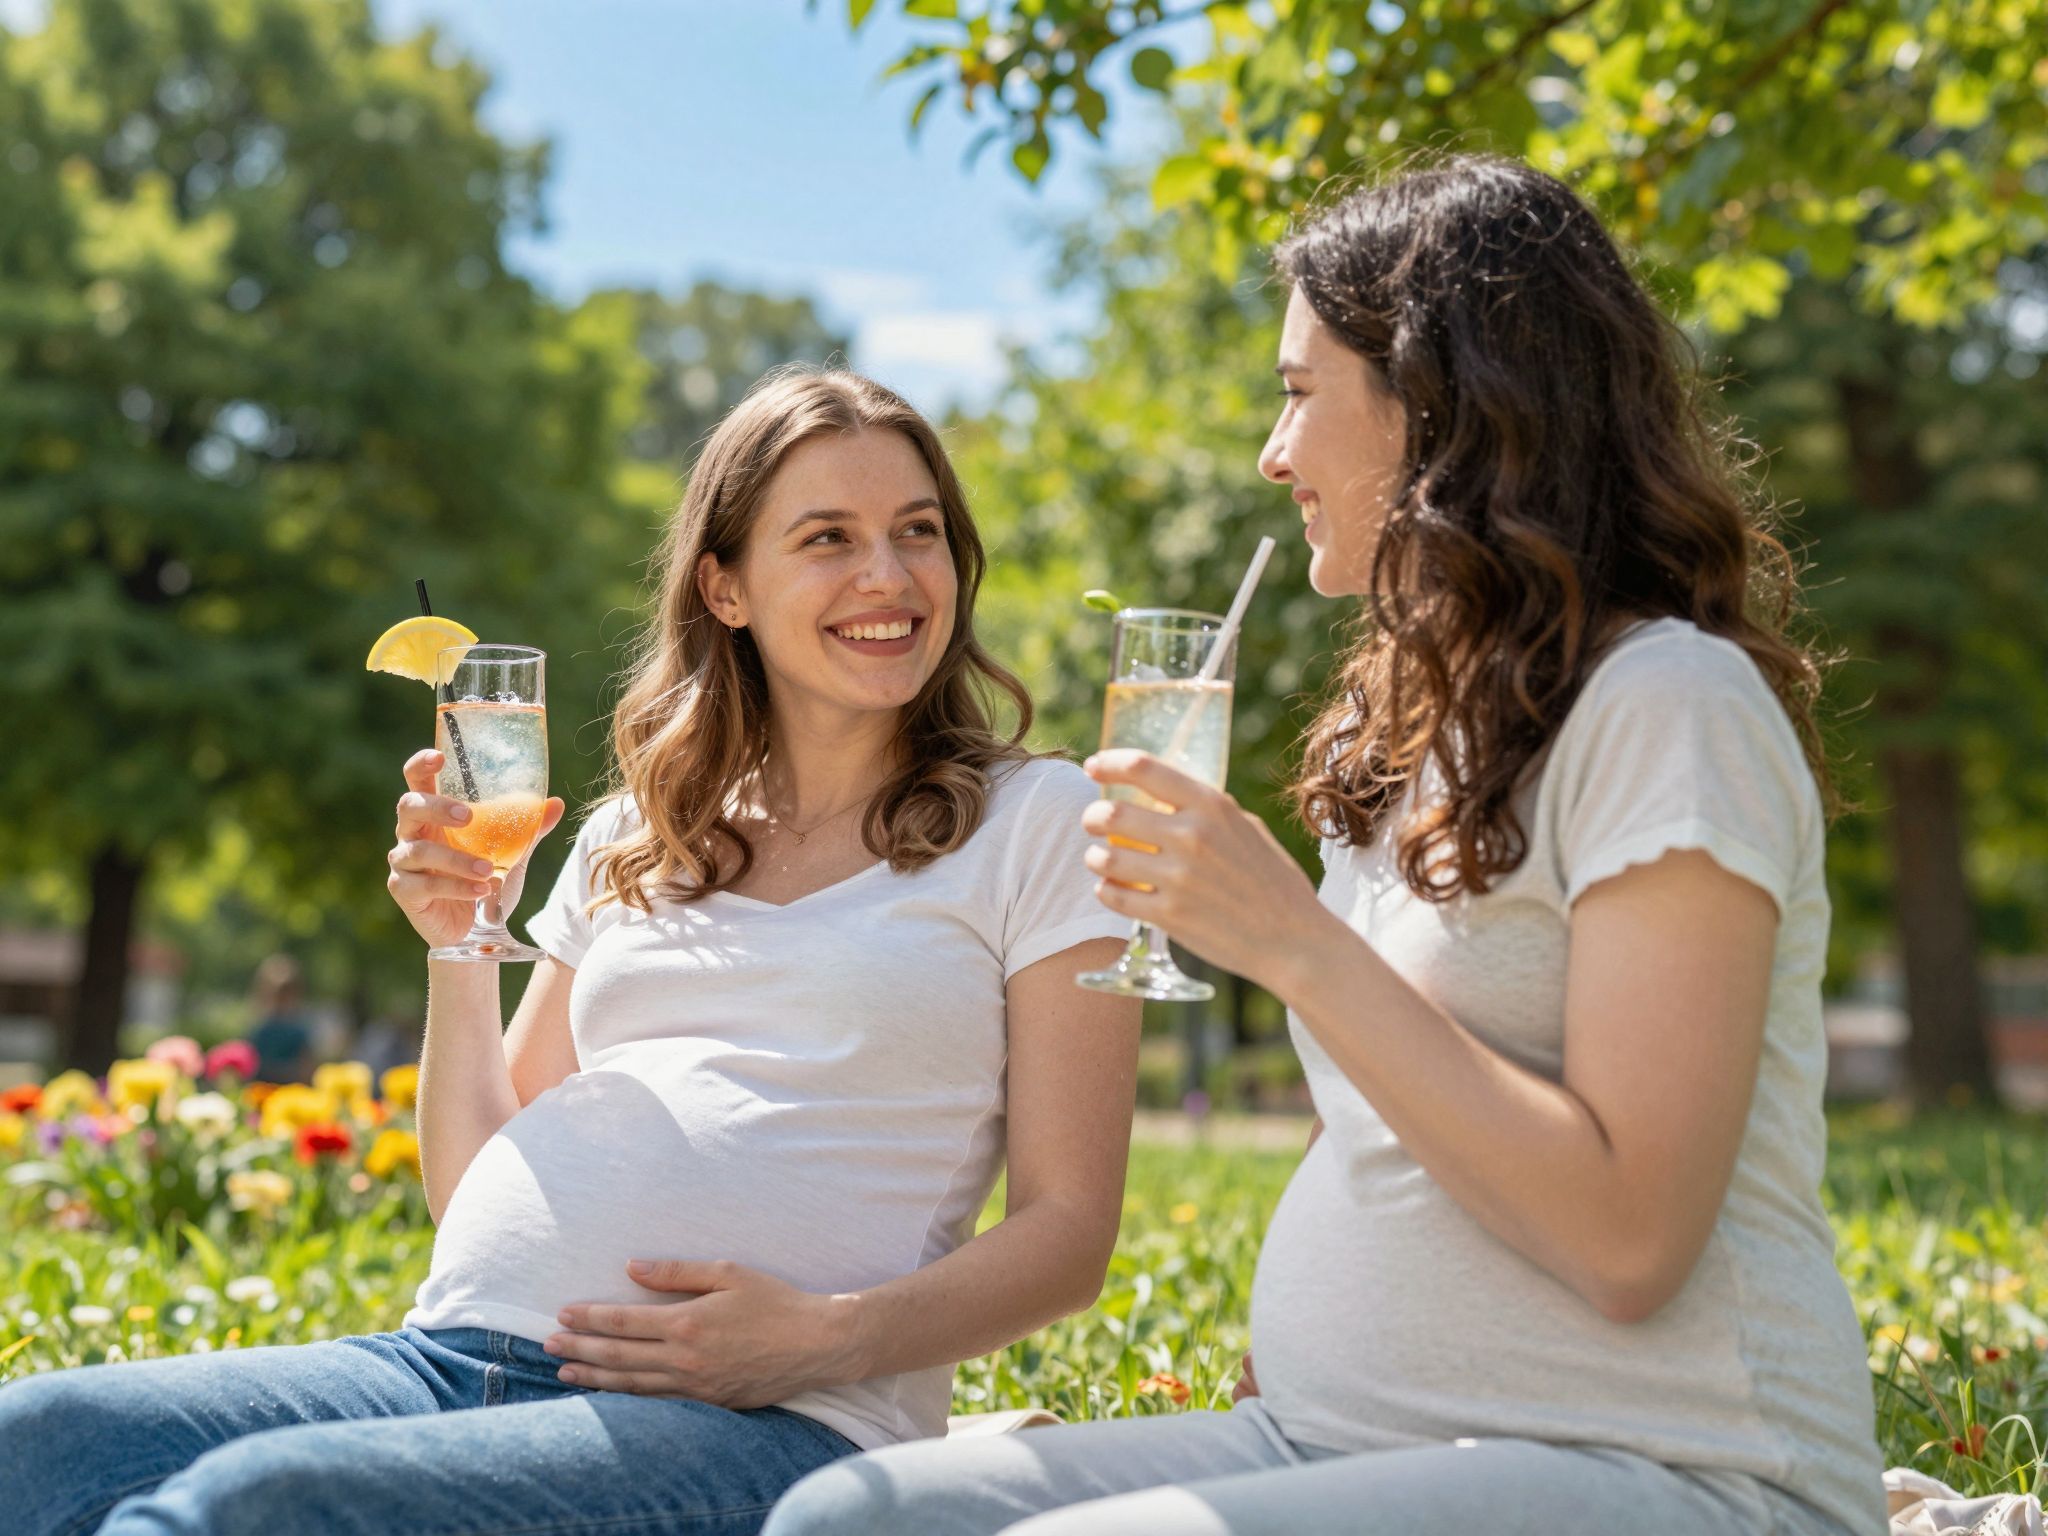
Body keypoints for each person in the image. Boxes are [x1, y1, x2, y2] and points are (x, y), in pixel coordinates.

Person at [765, 155, 1888, 1535]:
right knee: (850, 1518)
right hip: (1346, 1439)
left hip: (1680, 1469)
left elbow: (1630, 1242)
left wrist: (1289, 943)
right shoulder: (1428, 734)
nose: (1271, 454)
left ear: (1439, 406)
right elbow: (1413, 1120)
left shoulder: (1670, 708)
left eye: (1300, 395)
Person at [0, 369, 1141, 1536]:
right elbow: (476, 1184)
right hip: (444, 1361)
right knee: (31, 1438)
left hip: (766, 1424)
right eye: (826, 539)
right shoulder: (632, 835)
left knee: (263, 1506)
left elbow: (1067, 1235)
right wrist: (459, 952)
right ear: (725, 586)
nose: (888, 577)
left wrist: (819, 1338)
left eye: (918, 532)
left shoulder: (1035, 822)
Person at [245, 952, 314, 1084]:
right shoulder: (259, 1030)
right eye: (276, 994)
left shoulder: (299, 1031)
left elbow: (306, 1068)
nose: (281, 1000)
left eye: (286, 993)